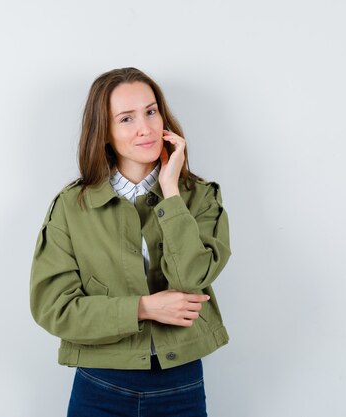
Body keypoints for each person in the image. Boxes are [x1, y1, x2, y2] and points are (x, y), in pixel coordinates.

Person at [30, 67, 231, 417]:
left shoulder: (199, 197)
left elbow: (191, 279)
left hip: (180, 383)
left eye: (151, 111)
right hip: (100, 384)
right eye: (126, 118)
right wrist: (143, 308)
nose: (146, 128)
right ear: (104, 133)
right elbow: (54, 308)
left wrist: (171, 193)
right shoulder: (71, 207)